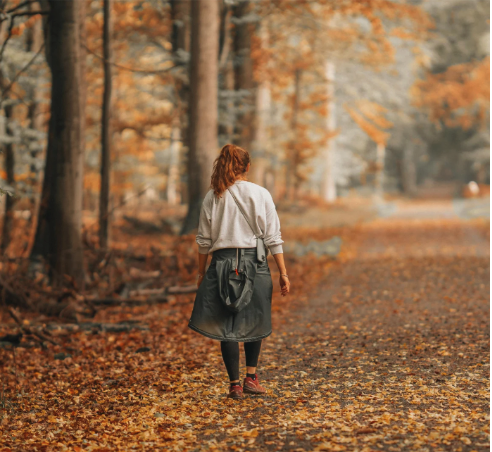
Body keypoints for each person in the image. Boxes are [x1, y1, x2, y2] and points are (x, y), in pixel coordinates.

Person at [188, 144, 290, 399]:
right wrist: (283, 273)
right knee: (256, 319)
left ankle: (234, 384)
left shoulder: (214, 195)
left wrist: (202, 273)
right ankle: (251, 378)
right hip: (255, 264)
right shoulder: (261, 193)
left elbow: (203, 240)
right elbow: (273, 237)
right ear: (246, 167)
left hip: (221, 264)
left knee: (226, 325)